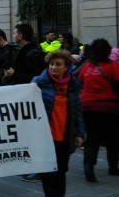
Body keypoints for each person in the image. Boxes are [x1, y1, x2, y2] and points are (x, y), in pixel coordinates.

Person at [31, 50, 84, 197]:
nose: (54, 67)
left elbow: (77, 111)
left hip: (65, 137)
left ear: (66, 67)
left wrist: (80, 133)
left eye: (58, 64)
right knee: (48, 173)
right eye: (51, 64)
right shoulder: (38, 83)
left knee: (61, 171)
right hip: (46, 138)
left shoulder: (73, 85)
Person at [76, 38, 119, 181]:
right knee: (112, 138)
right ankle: (113, 167)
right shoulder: (113, 66)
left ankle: (89, 164)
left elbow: (80, 79)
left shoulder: (87, 66)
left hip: (88, 106)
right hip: (110, 107)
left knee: (92, 137)